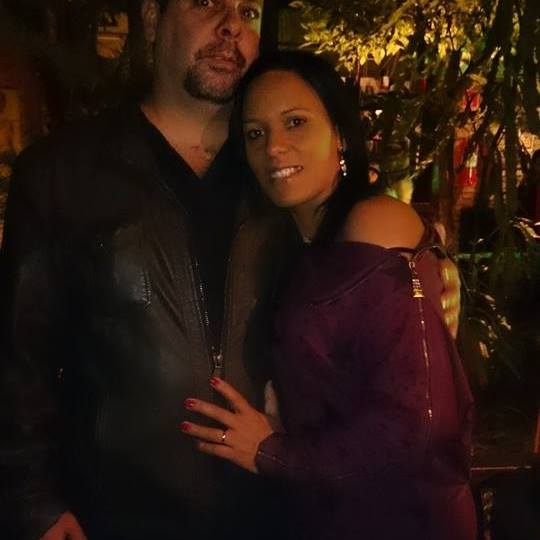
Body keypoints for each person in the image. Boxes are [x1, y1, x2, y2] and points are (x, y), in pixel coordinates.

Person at [0, 2, 461, 540]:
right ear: (151, 17)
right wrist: (33, 504)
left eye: (247, 9)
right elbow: (19, 356)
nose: (230, 26)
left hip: (278, 510)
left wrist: (432, 269)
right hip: (117, 514)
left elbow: (364, 264)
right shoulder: (65, 173)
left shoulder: (282, 175)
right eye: (206, 2)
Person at [181, 51, 477, 540]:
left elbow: (417, 427)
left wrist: (271, 452)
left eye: (295, 122)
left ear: (339, 132)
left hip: (403, 521)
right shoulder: (294, 243)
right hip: (332, 512)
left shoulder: (375, 222)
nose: (274, 147)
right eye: (255, 133)